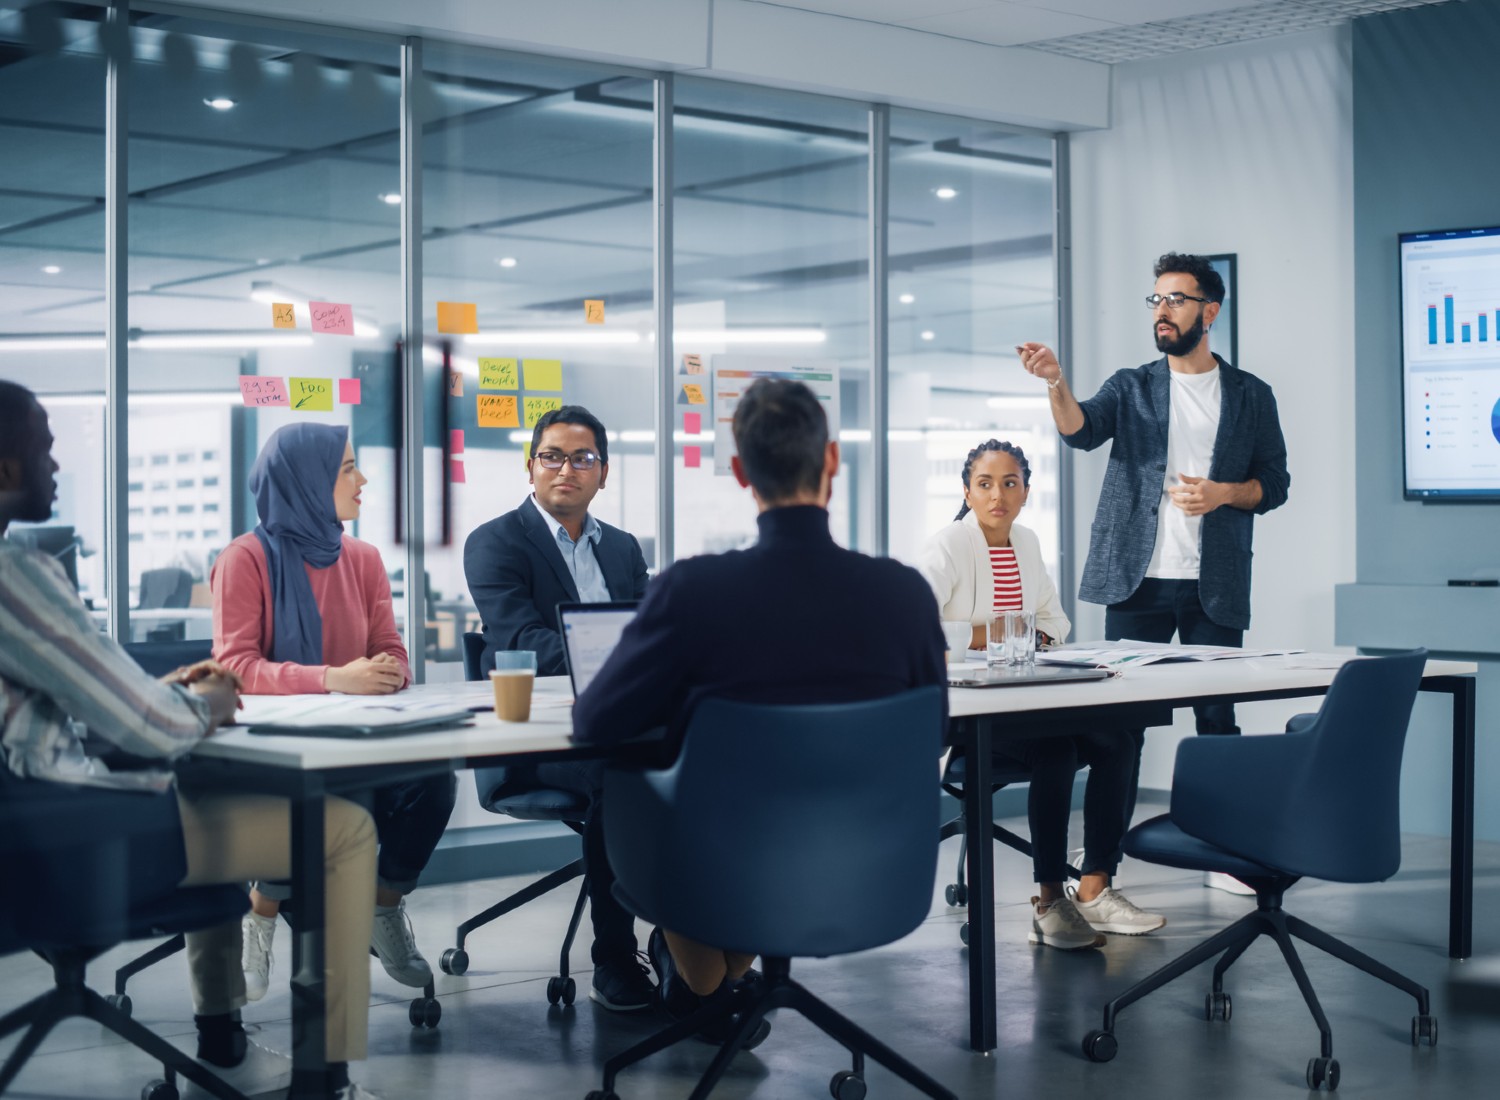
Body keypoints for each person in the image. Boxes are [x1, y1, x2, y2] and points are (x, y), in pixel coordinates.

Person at [0, 381, 381, 1100]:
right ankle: (324, 1076)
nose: (57, 465)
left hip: (26, 830)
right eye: (45, 448)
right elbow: (146, 726)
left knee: (210, 789)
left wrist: (162, 698)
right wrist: (201, 701)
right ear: (4, 469)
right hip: (56, 845)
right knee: (344, 831)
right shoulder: (14, 572)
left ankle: (222, 1035)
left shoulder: (356, 560)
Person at [572, 378, 947, 1046]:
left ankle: (708, 988)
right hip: (868, 863)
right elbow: (934, 730)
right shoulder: (905, 595)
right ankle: (715, 989)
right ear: (832, 459)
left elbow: (596, 724)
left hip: (724, 865)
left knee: (664, 796)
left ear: (742, 472)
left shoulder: (694, 591)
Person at [212, 423, 456, 1000]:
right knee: (324, 797)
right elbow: (234, 669)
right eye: (348, 468)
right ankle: (262, 910)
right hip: (277, 754)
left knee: (436, 782)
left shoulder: (364, 558)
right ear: (305, 480)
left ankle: (382, 905)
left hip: (360, 740)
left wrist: (390, 670)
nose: (362, 479)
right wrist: (333, 679)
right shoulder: (244, 560)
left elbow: (390, 647)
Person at [920, 439, 1164, 949]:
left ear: (1026, 491)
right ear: (967, 490)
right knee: (1057, 751)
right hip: (972, 711)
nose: (997, 495)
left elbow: (1054, 622)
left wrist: (1014, 632)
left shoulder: (1026, 543)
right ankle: (1051, 902)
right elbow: (914, 626)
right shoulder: (948, 545)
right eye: (984, 484)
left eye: (1010, 483)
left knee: (1117, 740)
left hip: (1031, 695)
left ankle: (1094, 888)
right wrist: (1000, 633)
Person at [463, 405, 653, 1012]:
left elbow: (653, 633)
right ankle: (616, 958)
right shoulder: (495, 542)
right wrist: (619, 658)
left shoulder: (622, 549)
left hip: (624, 723)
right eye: (552, 456)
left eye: (583, 457)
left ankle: (692, 941)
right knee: (620, 772)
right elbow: (520, 640)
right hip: (539, 740)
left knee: (701, 755)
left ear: (604, 473)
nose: (566, 468)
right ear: (531, 467)